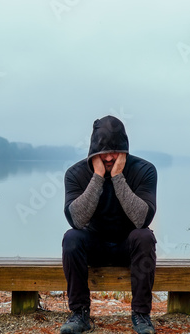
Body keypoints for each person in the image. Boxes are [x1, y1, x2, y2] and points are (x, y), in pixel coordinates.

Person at [61, 115, 158, 334]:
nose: (109, 157)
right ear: (92, 151)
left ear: (125, 149)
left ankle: (141, 315)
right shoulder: (76, 174)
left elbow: (142, 219)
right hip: (94, 247)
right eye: (102, 151)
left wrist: (117, 177)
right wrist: (97, 177)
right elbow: (76, 220)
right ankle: (80, 314)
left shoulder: (145, 171)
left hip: (129, 247)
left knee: (144, 235)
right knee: (71, 237)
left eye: (115, 151)